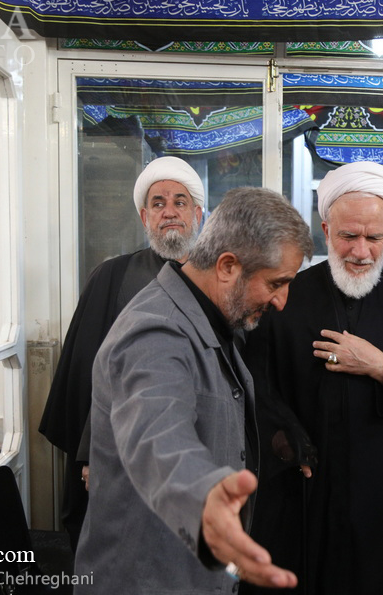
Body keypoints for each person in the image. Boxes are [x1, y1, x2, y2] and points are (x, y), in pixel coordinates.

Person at [73, 187, 313, 593]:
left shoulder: (210, 318)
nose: (282, 301)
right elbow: (158, 436)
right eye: (276, 283)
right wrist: (203, 500)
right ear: (227, 267)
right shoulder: (156, 331)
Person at [243, 161, 383, 595]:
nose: (361, 251)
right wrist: (285, 437)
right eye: (349, 236)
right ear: (325, 229)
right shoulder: (286, 297)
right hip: (302, 500)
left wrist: (381, 366)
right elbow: (253, 386)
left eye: (373, 238)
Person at [38, 155, 205, 550]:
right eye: (158, 203)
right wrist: (92, 453)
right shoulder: (112, 276)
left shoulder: (218, 277)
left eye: (180, 202)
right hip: (119, 449)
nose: (169, 212)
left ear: (198, 213)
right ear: (144, 216)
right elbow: (88, 373)